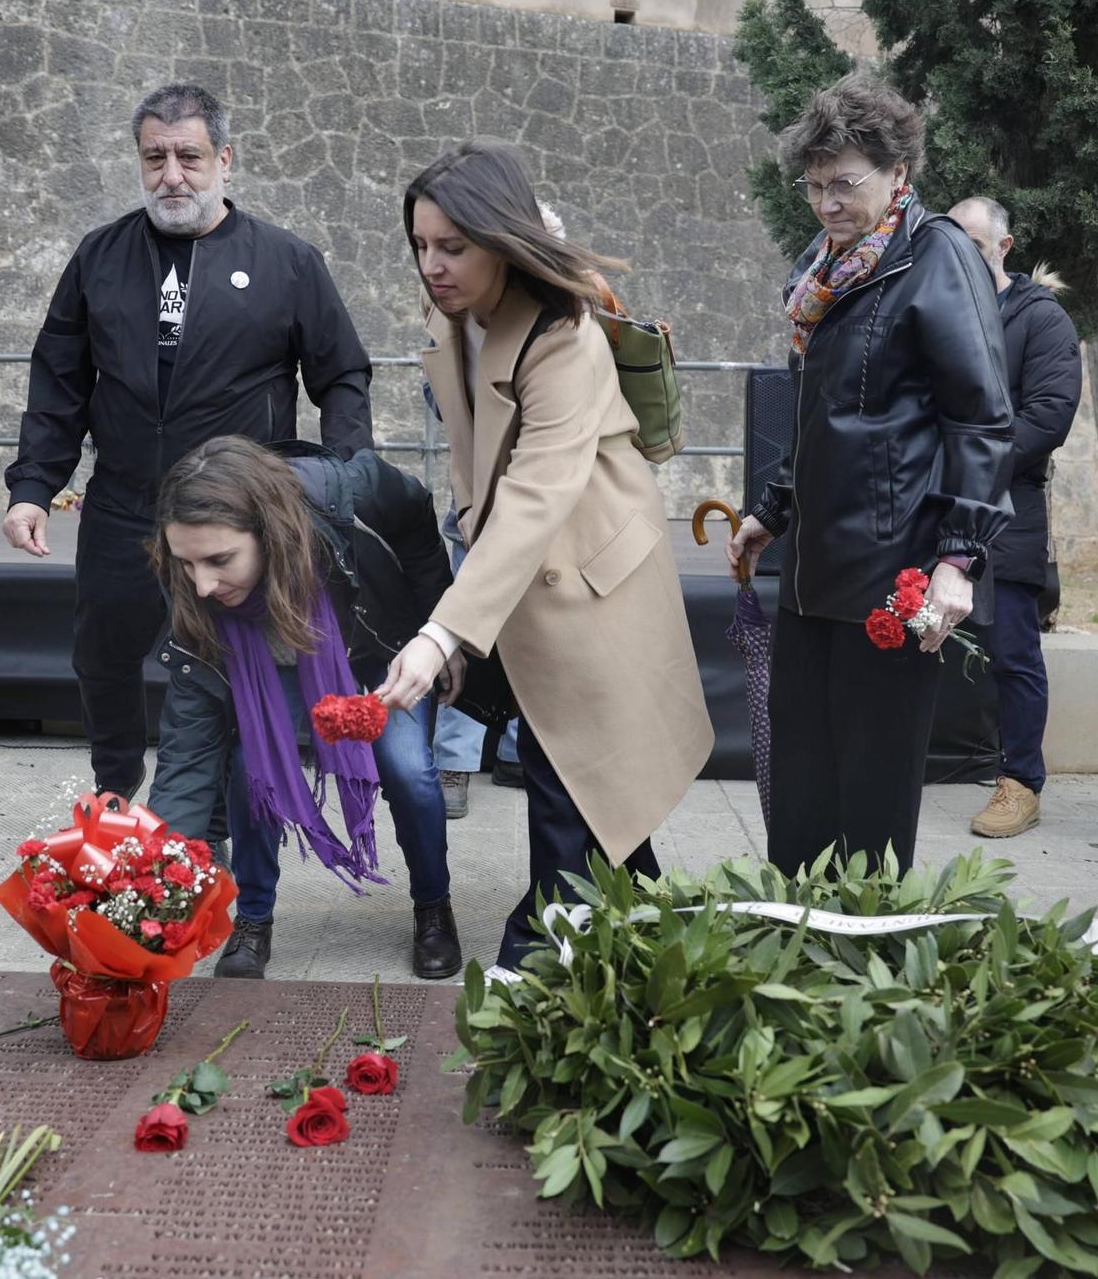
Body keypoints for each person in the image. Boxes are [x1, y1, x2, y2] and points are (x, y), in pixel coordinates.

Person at [377, 139, 713, 968]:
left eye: (453, 247)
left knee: (570, 768)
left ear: (500, 239)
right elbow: (470, 452)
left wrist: (441, 632)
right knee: (587, 787)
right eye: (421, 246)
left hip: (595, 574)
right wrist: (464, 546)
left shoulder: (564, 332)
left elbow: (538, 493)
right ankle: (641, 941)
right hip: (514, 565)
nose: (433, 266)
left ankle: (536, 969)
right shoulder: (449, 313)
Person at [1, 82, 372, 805]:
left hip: (237, 516)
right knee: (101, 656)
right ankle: (114, 789)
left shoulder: (287, 262)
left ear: (225, 159)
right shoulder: (99, 256)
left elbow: (343, 375)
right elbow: (59, 379)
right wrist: (31, 487)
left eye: (189, 157)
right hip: (125, 505)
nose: (172, 175)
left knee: (226, 669)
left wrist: (342, 484)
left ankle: (216, 818)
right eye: (155, 158)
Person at [727, 73, 1013, 876]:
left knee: (874, 785)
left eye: (844, 184)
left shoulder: (937, 257)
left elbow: (982, 418)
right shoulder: (824, 268)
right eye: (814, 185)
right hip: (813, 567)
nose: (825, 203)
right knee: (803, 776)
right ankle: (796, 935)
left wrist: (959, 558)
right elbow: (824, 419)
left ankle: (867, 957)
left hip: (897, 565)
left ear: (897, 173)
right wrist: (773, 509)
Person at [146, 436, 462, 980]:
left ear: (270, 533)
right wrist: (156, 879)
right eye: (188, 563)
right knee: (252, 771)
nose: (202, 584)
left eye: (221, 560)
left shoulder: (346, 492)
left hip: (373, 654)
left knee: (411, 772)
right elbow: (187, 754)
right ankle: (253, 919)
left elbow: (415, 515)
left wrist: (440, 629)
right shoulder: (194, 587)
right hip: (274, 677)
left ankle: (433, 905)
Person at [946, 197, 1083, 838]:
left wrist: (968, 469)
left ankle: (1020, 782)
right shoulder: (937, 313)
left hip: (1008, 506)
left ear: (1004, 246)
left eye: (972, 242)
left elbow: (1047, 417)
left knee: (1013, 652)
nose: (960, 255)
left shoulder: (1041, 319)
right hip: (933, 504)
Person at [431, 501, 523, 820]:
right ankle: (454, 762)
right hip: (482, 509)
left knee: (538, 628)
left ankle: (516, 753)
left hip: (555, 507)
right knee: (470, 628)